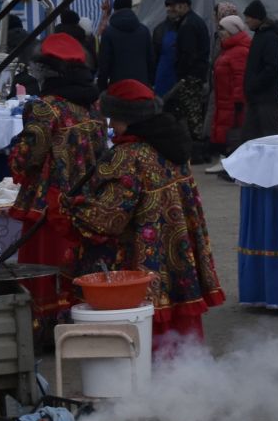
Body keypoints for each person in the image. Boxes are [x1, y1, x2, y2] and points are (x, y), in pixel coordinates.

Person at [66, 80, 225, 352]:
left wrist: (70, 208)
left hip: (141, 258)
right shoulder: (174, 147)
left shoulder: (127, 156)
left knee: (145, 322)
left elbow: (109, 219)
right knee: (179, 332)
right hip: (176, 251)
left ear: (127, 118)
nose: (111, 126)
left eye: (113, 119)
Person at [6, 33, 107, 340]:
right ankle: (81, 321)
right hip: (85, 202)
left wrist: (16, 153)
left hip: (49, 209)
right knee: (79, 265)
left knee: (44, 269)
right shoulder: (92, 106)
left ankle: (46, 331)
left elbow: (28, 158)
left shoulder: (44, 109)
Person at [153, 0, 212, 156]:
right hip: (194, 74)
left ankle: (197, 151)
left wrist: (183, 75)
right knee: (190, 112)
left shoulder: (188, 25)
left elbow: (188, 54)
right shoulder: (190, 22)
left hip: (190, 76)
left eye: (174, 5)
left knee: (191, 113)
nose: (171, 9)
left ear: (185, 5)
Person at [240, 0, 278, 142]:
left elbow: (271, 68)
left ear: (257, 18)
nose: (246, 21)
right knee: (251, 138)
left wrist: (254, 84)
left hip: (265, 98)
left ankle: (277, 162)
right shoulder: (260, 35)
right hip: (256, 98)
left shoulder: (270, 37)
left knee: (270, 136)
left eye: (248, 17)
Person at [207, 15, 251, 161]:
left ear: (232, 31)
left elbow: (240, 78)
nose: (220, 32)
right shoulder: (228, 49)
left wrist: (238, 101)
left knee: (233, 132)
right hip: (224, 100)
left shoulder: (239, 51)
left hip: (232, 101)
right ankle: (226, 160)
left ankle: (233, 162)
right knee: (225, 131)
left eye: (223, 29)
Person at [95, 0, 156, 88]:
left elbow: (104, 64)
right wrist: (150, 83)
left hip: (118, 88)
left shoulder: (109, 33)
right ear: (131, 7)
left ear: (115, 9)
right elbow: (151, 60)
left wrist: (102, 88)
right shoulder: (144, 31)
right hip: (142, 87)